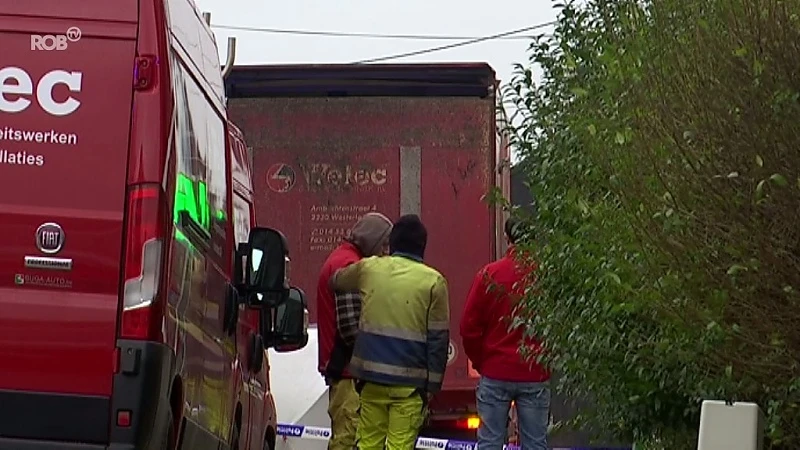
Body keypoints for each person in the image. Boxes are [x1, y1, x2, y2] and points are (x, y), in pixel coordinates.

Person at [330, 214, 450, 450]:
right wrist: (431, 388)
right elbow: (438, 341)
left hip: (370, 380)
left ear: (391, 244)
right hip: (409, 386)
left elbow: (336, 281)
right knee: (399, 446)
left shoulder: (369, 268)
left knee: (368, 444)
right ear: (422, 247)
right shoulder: (434, 282)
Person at [459, 216, 551, 450]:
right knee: (535, 444)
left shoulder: (490, 275)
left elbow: (468, 327)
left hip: (495, 372)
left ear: (508, 239)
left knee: (490, 443)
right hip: (534, 372)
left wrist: (482, 361)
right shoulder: (547, 277)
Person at [317, 212, 393, 450]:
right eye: (383, 245)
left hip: (347, 371)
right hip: (349, 373)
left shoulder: (342, 259)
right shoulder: (349, 266)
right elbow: (351, 328)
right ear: (372, 241)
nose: (386, 252)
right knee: (348, 440)